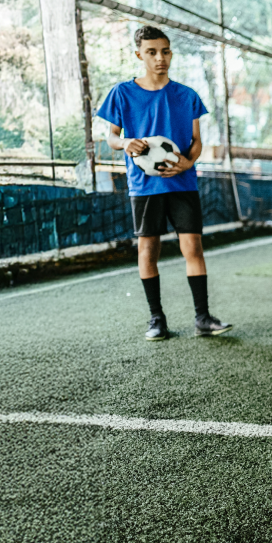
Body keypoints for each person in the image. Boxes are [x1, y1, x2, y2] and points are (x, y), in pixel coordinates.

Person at [98, 25, 231, 340]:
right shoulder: (122, 93)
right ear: (139, 55)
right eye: (152, 52)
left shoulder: (187, 95)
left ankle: (202, 317)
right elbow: (112, 137)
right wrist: (126, 142)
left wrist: (189, 160)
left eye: (165, 51)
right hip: (145, 186)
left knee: (193, 247)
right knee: (148, 249)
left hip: (183, 183)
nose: (160, 58)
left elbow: (197, 140)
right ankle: (156, 319)